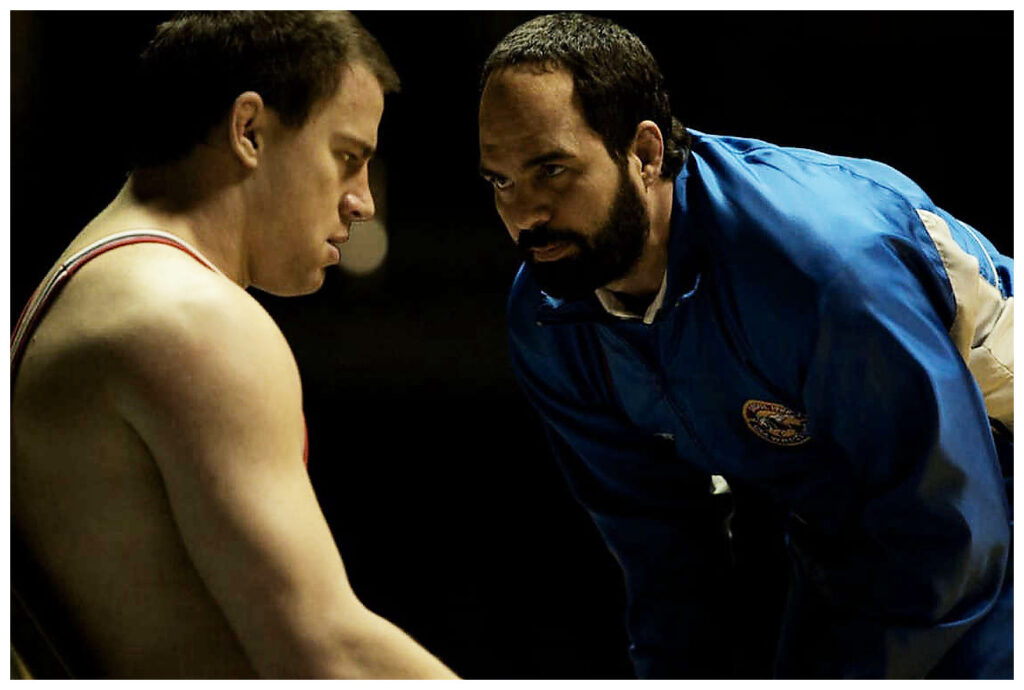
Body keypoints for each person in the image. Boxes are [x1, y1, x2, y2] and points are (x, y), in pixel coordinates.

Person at [477, 12, 1012, 679]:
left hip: (993, 471)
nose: (525, 213)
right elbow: (663, 561)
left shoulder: (819, 268)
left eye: (551, 170)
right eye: (500, 181)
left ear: (644, 153)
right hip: (840, 514)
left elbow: (953, 530)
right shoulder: (549, 317)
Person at [11, 11, 457, 679]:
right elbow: (325, 651)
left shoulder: (102, 277)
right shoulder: (188, 315)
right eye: (347, 157)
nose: (362, 201)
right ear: (248, 130)